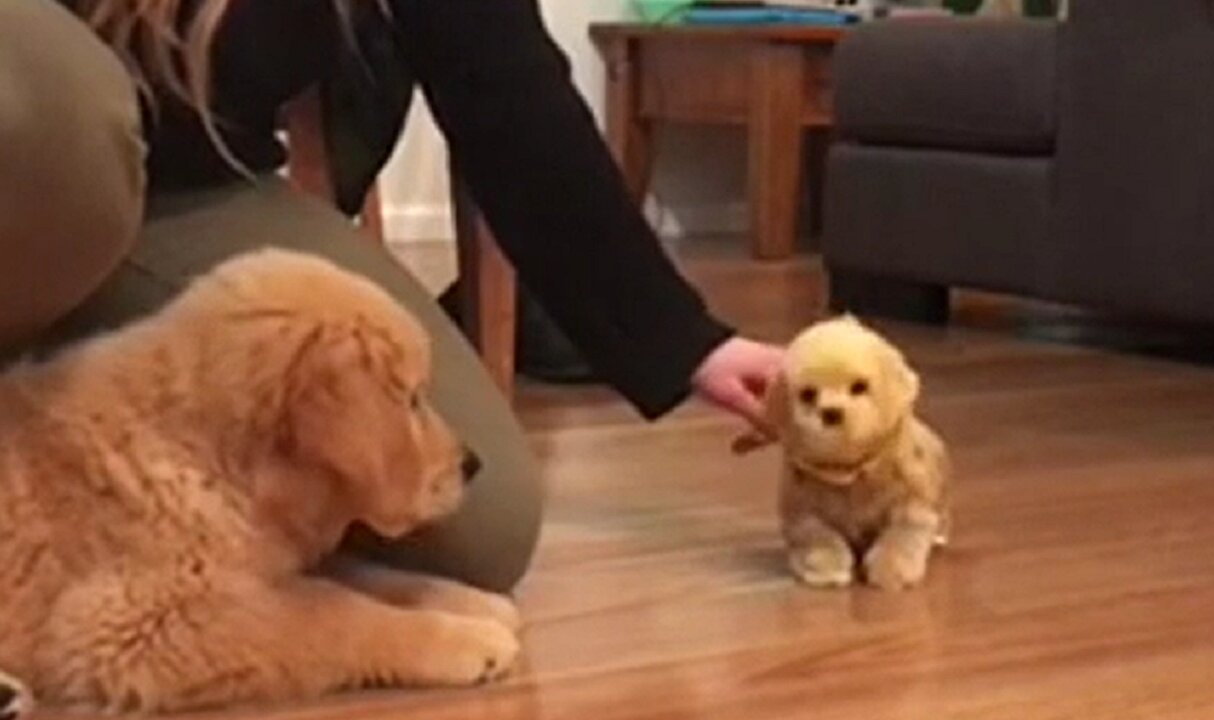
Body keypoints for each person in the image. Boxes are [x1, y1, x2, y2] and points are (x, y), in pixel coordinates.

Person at [0, 0, 783, 592]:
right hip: (37, 148)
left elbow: (503, 83)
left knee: (473, 520)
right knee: (41, 101)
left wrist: (688, 344)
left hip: (179, 192)